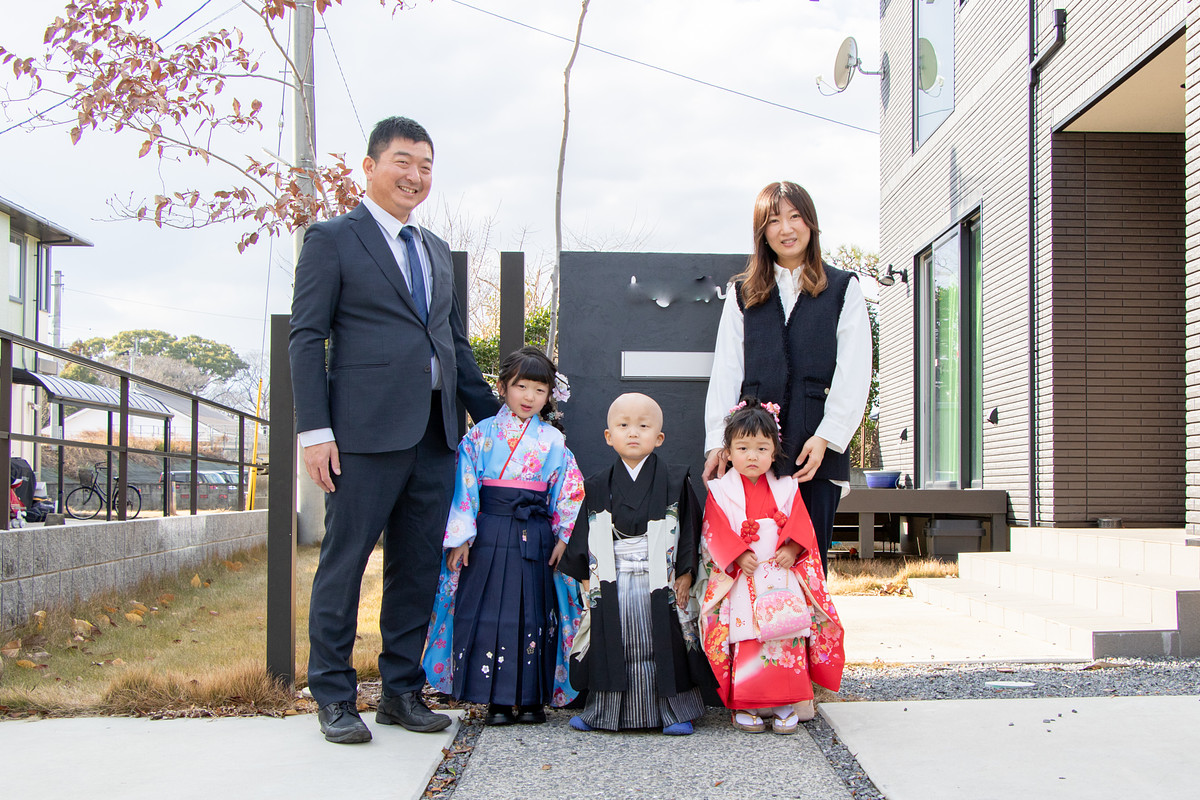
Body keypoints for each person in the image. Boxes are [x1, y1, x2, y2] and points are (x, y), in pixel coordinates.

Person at [289, 116, 499, 744]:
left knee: (416, 569)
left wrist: (496, 420)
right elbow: (307, 338)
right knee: (344, 564)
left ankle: (401, 691)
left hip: (435, 437)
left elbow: (453, 343)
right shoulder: (332, 239)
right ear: (371, 167)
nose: (415, 176)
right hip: (361, 435)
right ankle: (332, 694)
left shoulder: (434, 249)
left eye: (426, 166)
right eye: (403, 161)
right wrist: (313, 431)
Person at [703, 181, 871, 572]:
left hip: (816, 448)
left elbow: (854, 370)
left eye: (795, 216)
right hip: (752, 448)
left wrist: (829, 436)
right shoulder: (744, 292)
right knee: (751, 568)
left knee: (808, 569)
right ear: (762, 231)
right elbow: (727, 370)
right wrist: (718, 441)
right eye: (774, 220)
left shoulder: (843, 288)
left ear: (811, 224)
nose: (786, 228)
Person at [423, 347, 586, 725]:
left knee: (534, 613)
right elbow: (465, 488)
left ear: (550, 396)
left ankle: (532, 699)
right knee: (490, 613)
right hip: (490, 531)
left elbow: (569, 490)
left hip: (538, 535)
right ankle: (493, 700)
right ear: (503, 388)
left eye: (539, 390)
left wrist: (563, 538)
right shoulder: (480, 436)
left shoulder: (553, 442)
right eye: (521, 386)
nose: (529, 397)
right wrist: (461, 537)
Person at [560, 392, 709, 736]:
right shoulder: (597, 485)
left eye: (643, 426)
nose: (633, 432)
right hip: (613, 578)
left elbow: (689, 528)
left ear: (658, 437)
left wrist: (685, 573)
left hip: (663, 578)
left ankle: (674, 712)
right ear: (609, 436)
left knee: (665, 641)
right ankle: (603, 713)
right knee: (612, 642)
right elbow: (585, 536)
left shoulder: (675, 479)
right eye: (623, 425)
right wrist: (587, 579)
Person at [698, 400, 844, 734]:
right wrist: (736, 555)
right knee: (746, 634)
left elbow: (800, 524)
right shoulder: (720, 491)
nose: (753, 456)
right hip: (744, 574)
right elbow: (714, 528)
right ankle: (745, 704)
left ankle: (785, 700)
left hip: (780, 572)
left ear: (775, 451)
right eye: (743, 448)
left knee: (785, 630)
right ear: (729, 452)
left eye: (762, 448)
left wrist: (792, 547)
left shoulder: (787, 487)